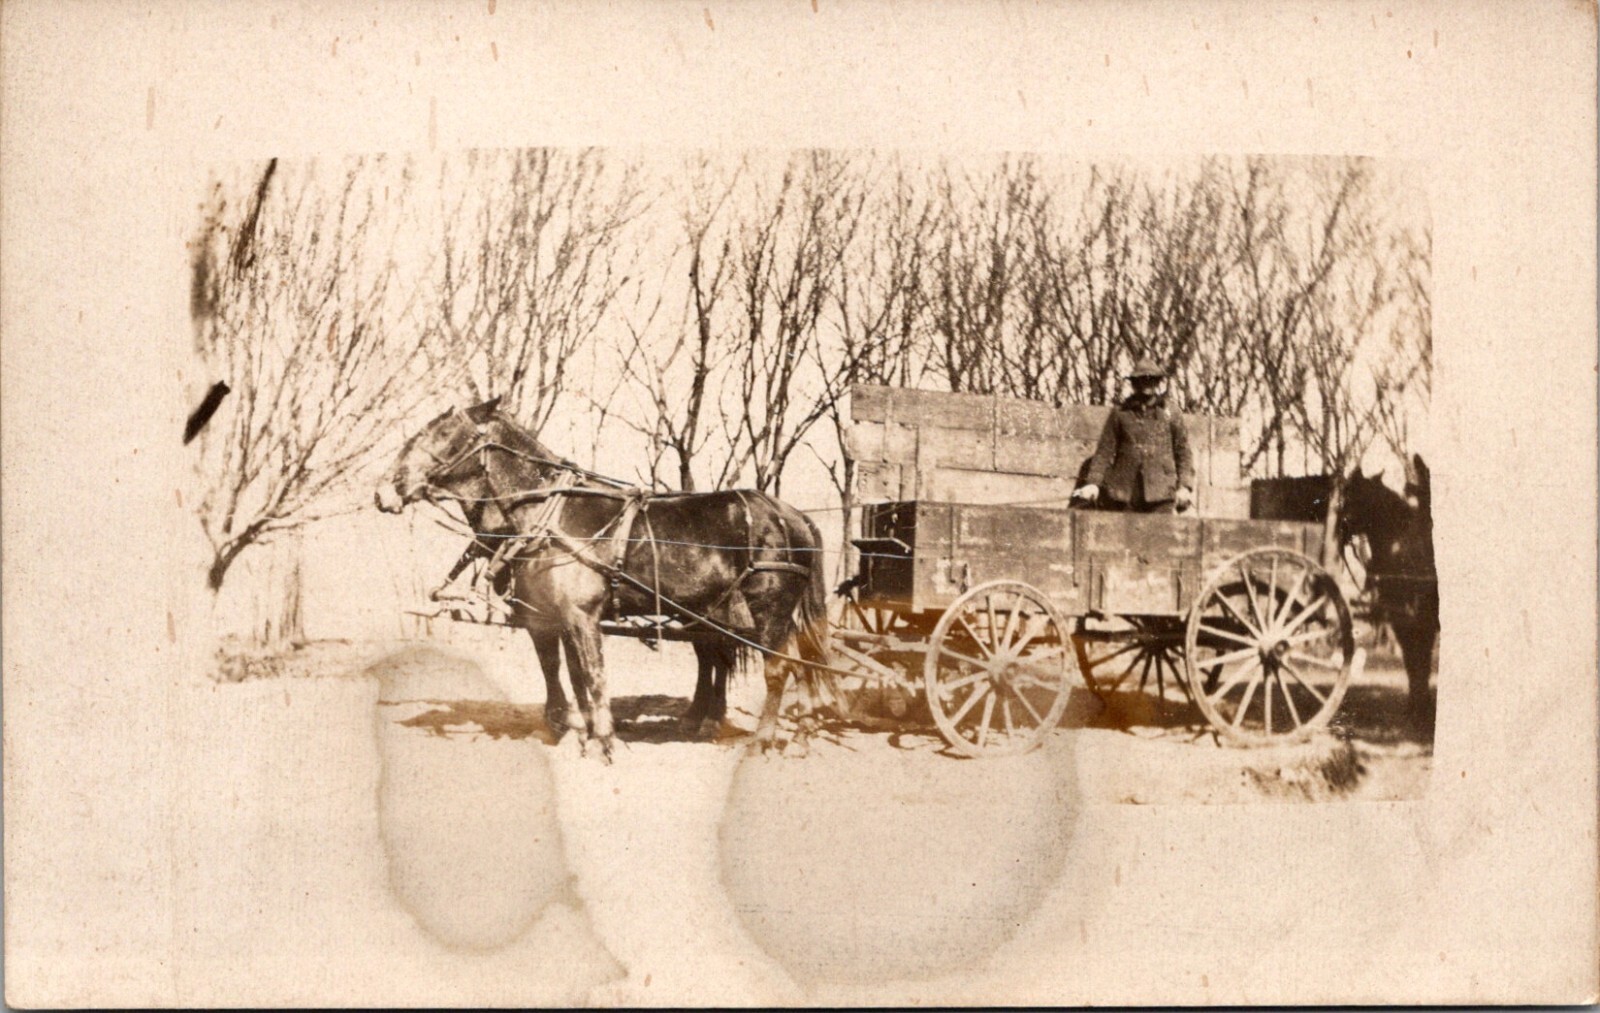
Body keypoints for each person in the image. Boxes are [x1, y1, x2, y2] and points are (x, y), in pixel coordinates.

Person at [1072, 358, 1195, 514]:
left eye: (1151, 379)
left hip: (1162, 494)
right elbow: (1104, 451)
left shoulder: (1171, 413)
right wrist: (1093, 483)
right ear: (1134, 383)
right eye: (1141, 380)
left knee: (1162, 537)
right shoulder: (1120, 413)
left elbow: (1183, 452)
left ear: (1157, 382)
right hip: (1124, 495)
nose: (1146, 384)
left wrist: (1185, 486)